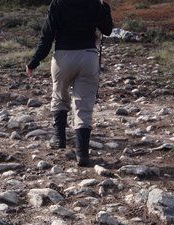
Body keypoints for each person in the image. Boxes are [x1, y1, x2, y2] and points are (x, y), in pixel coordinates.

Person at [26, 0, 113, 166]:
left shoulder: (58, 4)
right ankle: (82, 153)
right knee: (84, 105)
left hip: (63, 56)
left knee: (59, 95)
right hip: (88, 56)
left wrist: (34, 62)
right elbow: (107, 30)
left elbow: (47, 36)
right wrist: (105, 7)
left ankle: (58, 138)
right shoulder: (95, 4)